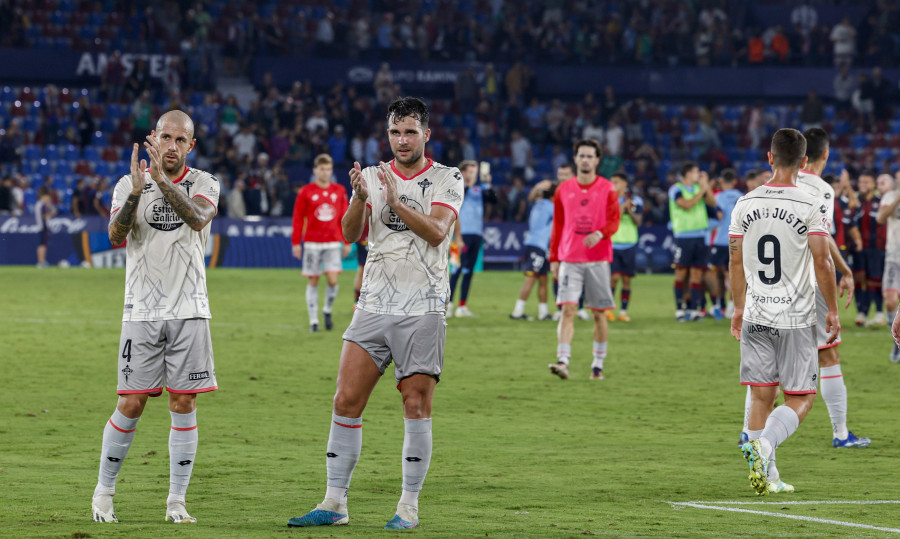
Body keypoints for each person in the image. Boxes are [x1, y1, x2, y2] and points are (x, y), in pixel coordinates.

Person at [287, 97, 463, 530]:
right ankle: (334, 503)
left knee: (415, 401)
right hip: (373, 303)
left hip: (422, 305)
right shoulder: (371, 176)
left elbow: (438, 232)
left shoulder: (447, 178)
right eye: (394, 132)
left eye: (410, 132)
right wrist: (358, 198)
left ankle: (407, 508)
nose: (401, 140)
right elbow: (350, 234)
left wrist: (395, 199)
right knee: (345, 400)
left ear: (426, 134)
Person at [91, 110, 220, 524]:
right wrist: (136, 192)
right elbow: (114, 236)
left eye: (181, 140)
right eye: (166, 137)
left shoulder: (205, 182)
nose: (172, 146)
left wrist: (162, 184)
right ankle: (104, 494)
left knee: (184, 402)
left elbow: (198, 218)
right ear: (154, 138)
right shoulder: (129, 183)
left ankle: (176, 502)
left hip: (190, 309)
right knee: (130, 403)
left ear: (191, 146)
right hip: (141, 310)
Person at [731, 128, 840, 495]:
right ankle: (765, 445)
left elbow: (733, 259)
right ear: (805, 162)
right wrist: (834, 311)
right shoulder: (810, 204)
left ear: (769, 158)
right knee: (802, 396)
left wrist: (737, 307)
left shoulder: (745, 202)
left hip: (756, 314)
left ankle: (769, 475)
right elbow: (822, 262)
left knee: (762, 394)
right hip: (795, 317)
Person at [547, 139, 620, 381]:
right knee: (568, 309)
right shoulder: (563, 190)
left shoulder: (608, 188)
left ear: (597, 160)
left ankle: (597, 365)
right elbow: (557, 225)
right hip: (569, 258)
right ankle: (563, 360)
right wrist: (554, 257)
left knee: (599, 313)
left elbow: (614, 221)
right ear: (576, 159)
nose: (586, 160)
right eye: (582, 156)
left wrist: (600, 233)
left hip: (598, 259)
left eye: (590, 156)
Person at [291, 154, 352, 332]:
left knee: (333, 281)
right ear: (315, 170)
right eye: (322, 169)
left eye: (328, 169)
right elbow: (297, 218)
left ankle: (326, 310)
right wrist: (296, 242)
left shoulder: (339, 190)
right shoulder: (306, 191)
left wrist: (347, 241)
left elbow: (344, 217)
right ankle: (314, 322)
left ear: (331, 170)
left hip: (333, 242)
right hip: (312, 243)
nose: (325, 172)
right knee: (313, 280)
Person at [447, 160, 496, 318]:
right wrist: (468, 183)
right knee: (455, 270)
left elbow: (493, 200)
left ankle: (462, 306)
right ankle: (447, 305)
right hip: (458, 236)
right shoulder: (456, 187)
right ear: (462, 172)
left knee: (468, 271)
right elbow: (460, 197)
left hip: (476, 235)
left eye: (475, 172)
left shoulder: (478, 189)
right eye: (470, 171)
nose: (473, 175)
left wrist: (488, 183)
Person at [669, 162, 716, 321]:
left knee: (697, 275)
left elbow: (712, 203)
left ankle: (693, 310)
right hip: (684, 237)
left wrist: (706, 187)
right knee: (681, 274)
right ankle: (679, 309)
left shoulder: (698, 188)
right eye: (696, 172)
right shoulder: (676, 189)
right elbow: (686, 205)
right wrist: (702, 189)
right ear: (687, 174)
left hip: (700, 236)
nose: (699, 175)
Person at [510, 179, 556, 321]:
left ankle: (543, 312)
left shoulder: (538, 204)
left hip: (533, 243)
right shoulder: (552, 207)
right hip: (539, 245)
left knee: (543, 279)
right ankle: (518, 311)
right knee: (531, 278)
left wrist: (537, 186)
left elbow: (530, 197)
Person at [853, 170, 886, 327]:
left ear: (873, 185)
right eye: (860, 182)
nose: (863, 185)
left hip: (877, 249)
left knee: (875, 280)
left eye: (866, 182)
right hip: (858, 250)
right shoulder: (854, 202)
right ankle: (862, 312)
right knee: (859, 281)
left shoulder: (881, 202)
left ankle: (879, 312)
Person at [608, 173, 643, 322]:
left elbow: (639, 221)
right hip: (613, 244)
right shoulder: (608, 200)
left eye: (616, 182)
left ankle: (623, 311)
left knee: (627, 279)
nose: (613, 185)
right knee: (614, 278)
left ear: (624, 184)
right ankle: (608, 309)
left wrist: (630, 210)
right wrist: (623, 207)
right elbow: (611, 217)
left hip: (629, 244)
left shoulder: (636, 201)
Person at [710, 169, 742, 319]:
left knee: (717, 275)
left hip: (720, 241)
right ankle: (731, 307)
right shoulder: (741, 197)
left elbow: (718, 215)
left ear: (721, 181)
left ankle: (718, 305)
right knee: (733, 275)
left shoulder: (718, 196)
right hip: (736, 240)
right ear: (735, 181)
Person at [876, 172, 900, 361]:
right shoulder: (890, 196)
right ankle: (897, 340)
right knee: (890, 302)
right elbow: (881, 217)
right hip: (894, 256)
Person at [34, 187, 57, 268]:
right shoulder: (42, 204)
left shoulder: (38, 203)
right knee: (43, 245)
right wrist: (52, 213)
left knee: (42, 244)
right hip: (43, 226)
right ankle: (41, 261)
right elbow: (44, 216)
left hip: (40, 226)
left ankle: (41, 261)